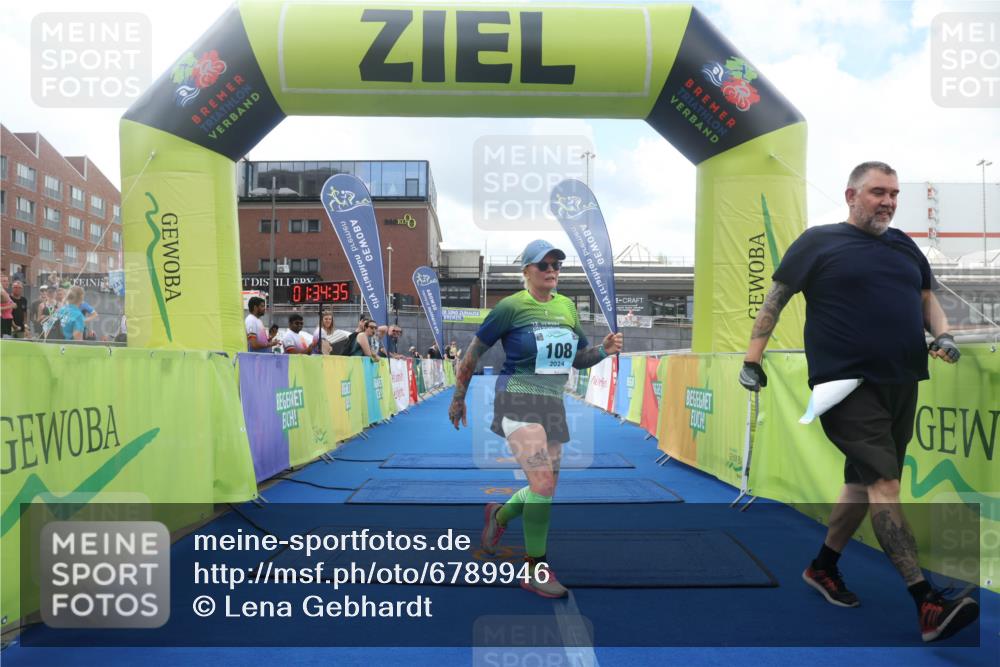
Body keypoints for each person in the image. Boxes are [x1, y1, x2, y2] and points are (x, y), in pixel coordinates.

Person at [738, 161, 978, 643]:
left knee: (861, 482)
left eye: (893, 193)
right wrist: (752, 359)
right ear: (851, 195)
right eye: (877, 192)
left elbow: (926, 297)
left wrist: (945, 333)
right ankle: (925, 601)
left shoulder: (905, 245)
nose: (887, 201)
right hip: (845, 385)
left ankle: (823, 567)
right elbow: (776, 300)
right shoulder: (818, 242)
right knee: (886, 484)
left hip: (903, 379)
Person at [449, 239, 623, 598]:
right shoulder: (510, 307)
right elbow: (472, 355)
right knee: (542, 482)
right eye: (543, 265)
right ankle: (535, 569)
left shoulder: (567, 308)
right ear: (526, 270)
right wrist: (458, 399)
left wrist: (603, 350)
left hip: (552, 405)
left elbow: (579, 358)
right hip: (516, 398)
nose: (552, 271)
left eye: (557, 265)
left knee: (544, 489)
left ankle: (499, 517)